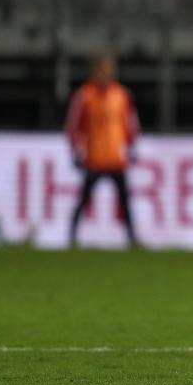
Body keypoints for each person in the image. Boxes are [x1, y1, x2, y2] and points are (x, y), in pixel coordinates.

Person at [65, 54, 140, 248]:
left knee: (125, 201)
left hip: (116, 157)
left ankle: (132, 239)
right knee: (84, 199)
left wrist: (131, 146)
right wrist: (75, 151)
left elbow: (130, 123)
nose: (108, 72)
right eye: (104, 68)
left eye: (110, 68)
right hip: (95, 157)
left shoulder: (121, 95)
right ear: (95, 70)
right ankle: (72, 237)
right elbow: (73, 126)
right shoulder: (85, 95)